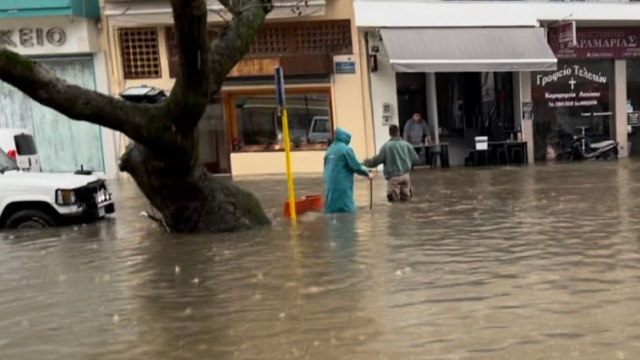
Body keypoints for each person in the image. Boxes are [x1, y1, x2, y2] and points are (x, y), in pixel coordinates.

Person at [363, 124, 419, 202]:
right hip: (406, 176)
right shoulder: (407, 145)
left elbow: (376, 161)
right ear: (399, 132)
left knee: (394, 201)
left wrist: (365, 162)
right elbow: (416, 159)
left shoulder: (386, 147)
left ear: (389, 133)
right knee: (406, 199)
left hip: (393, 177)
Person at [323, 127, 373, 213]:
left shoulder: (329, 150)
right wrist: (367, 173)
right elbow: (356, 166)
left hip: (330, 186)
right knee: (347, 210)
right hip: (342, 185)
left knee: (332, 209)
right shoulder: (346, 149)